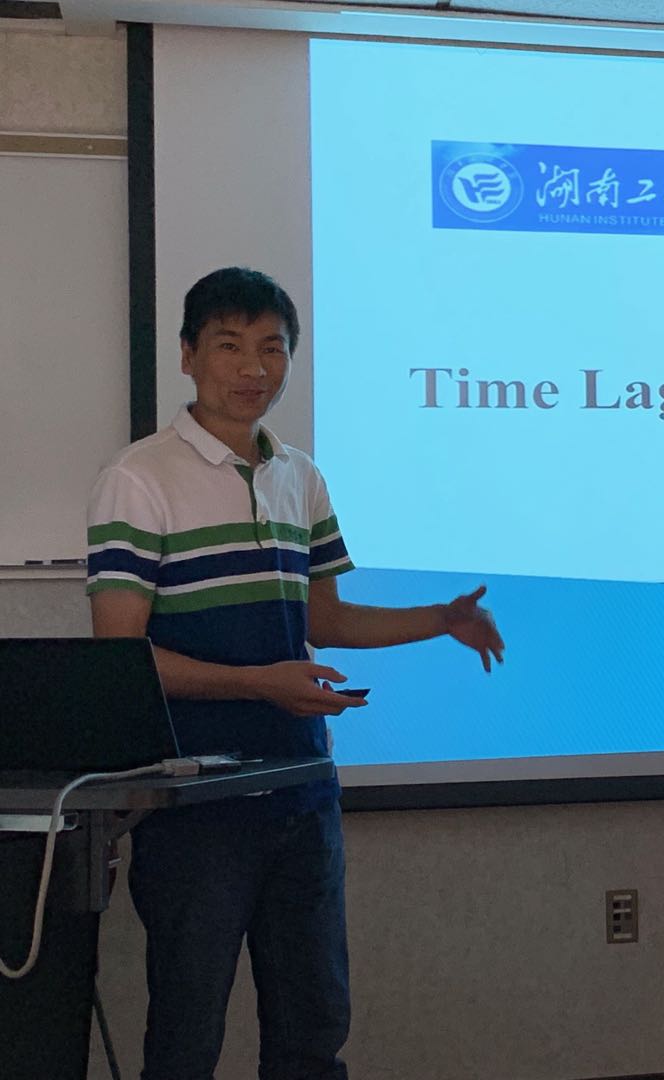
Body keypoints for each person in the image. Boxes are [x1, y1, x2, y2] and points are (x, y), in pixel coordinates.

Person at [86, 266, 504, 1080]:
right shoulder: (137, 480)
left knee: (314, 1031)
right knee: (186, 1040)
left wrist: (438, 620)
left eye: (272, 348)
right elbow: (120, 660)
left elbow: (325, 620)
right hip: (194, 802)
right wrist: (258, 683)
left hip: (302, 790)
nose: (253, 368)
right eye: (229, 346)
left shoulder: (299, 475)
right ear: (187, 355)